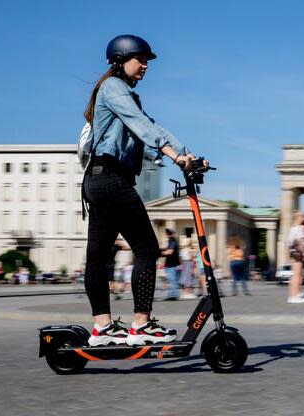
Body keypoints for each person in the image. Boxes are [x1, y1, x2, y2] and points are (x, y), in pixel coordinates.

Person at [82, 35, 207, 347]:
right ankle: (141, 324)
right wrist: (176, 157)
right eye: (141, 58)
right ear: (121, 59)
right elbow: (141, 126)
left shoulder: (123, 94)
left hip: (98, 180)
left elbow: (153, 127)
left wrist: (187, 154)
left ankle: (103, 328)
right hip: (111, 179)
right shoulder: (114, 88)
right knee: (147, 249)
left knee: (97, 257)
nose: (146, 65)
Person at [286, 211, 304, 303]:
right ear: (298, 218)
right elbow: (300, 240)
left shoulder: (292, 228)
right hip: (299, 252)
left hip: (293, 252)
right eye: (303, 217)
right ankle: (295, 296)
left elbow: (289, 242)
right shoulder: (300, 228)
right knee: (297, 274)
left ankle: (295, 294)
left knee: (295, 274)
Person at [162, 229, 181, 301]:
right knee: (172, 280)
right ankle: (172, 294)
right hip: (171, 263)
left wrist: (159, 253)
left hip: (172, 264)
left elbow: (170, 251)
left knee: (172, 280)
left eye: (166, 233)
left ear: (167, 234)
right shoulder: (172, 241)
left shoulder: (172, 241)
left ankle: (173, 295)